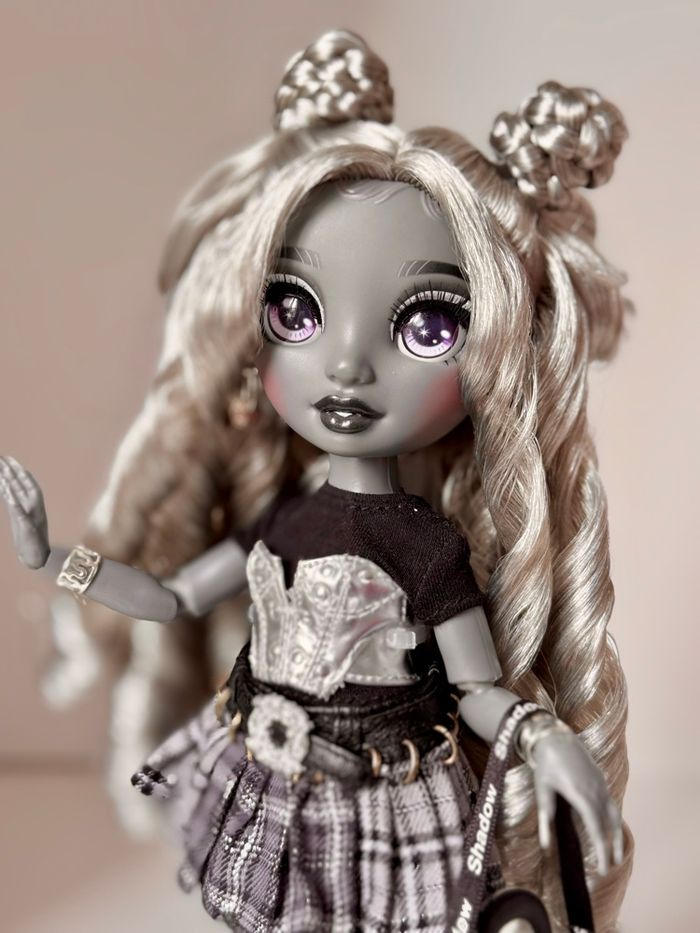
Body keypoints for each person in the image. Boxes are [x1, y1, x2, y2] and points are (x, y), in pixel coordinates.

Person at [0, 29, 632, 932]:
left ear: (495, 356)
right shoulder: (284, 521)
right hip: (267, 774)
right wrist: (52, 557)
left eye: (426, 326)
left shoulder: (424, 545)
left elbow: (476, 689)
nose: (345, 365)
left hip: (384, 797)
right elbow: (172, 598)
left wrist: (545, 737)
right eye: (295, 310)